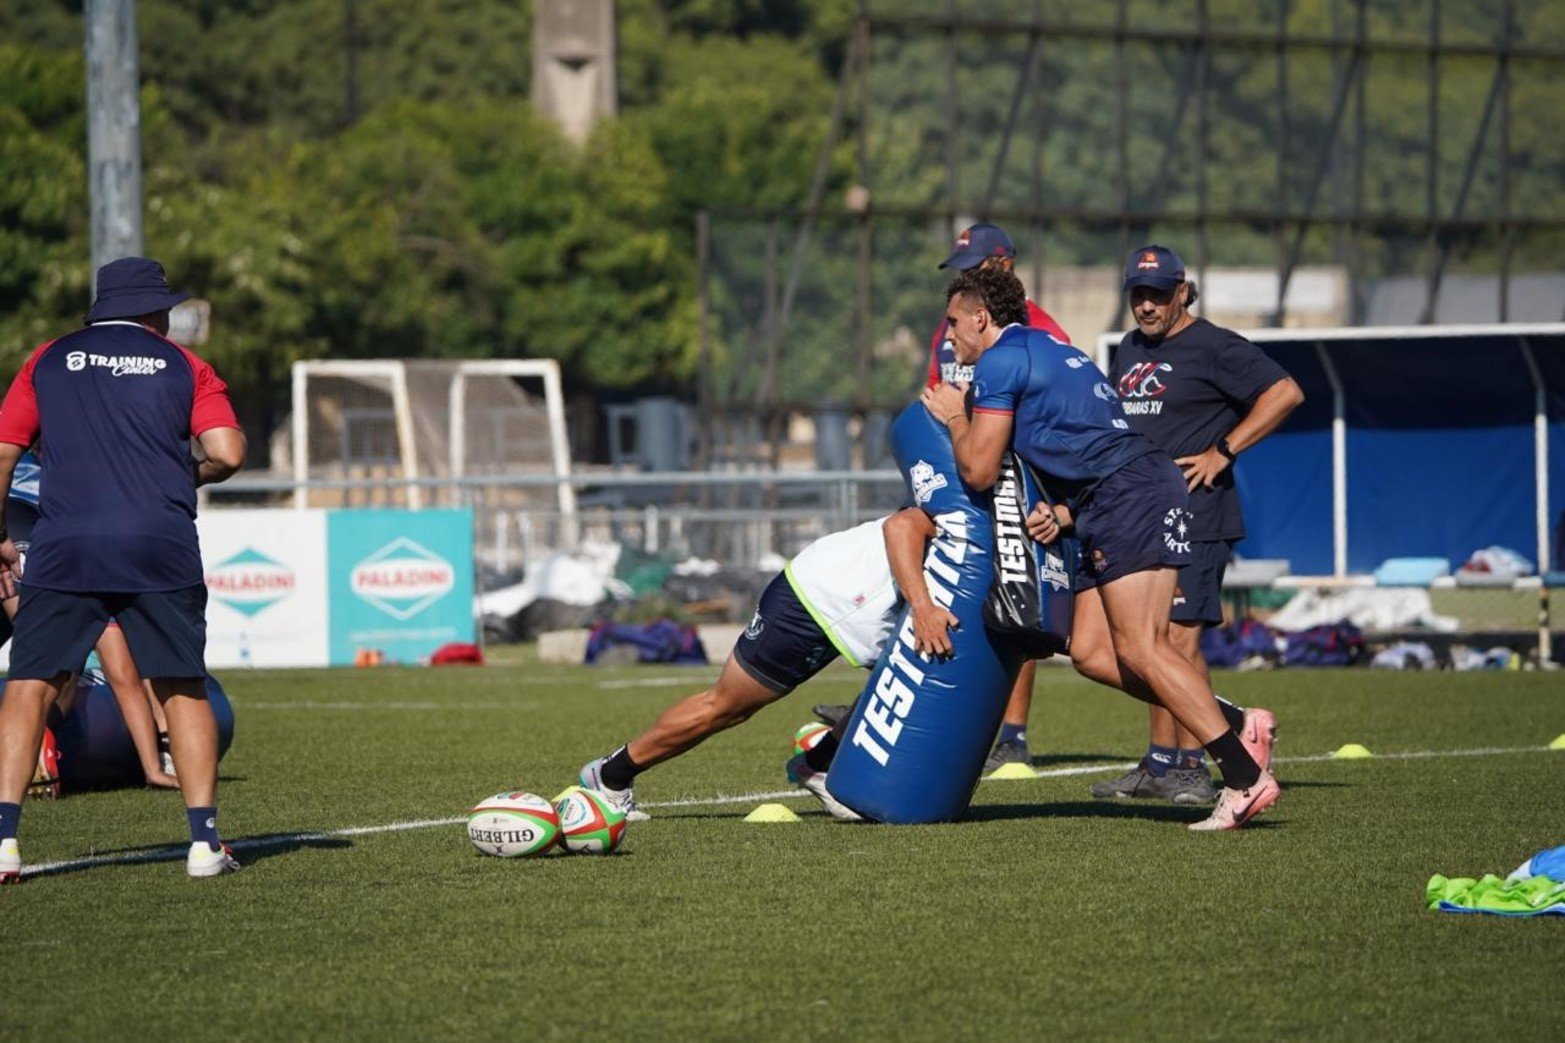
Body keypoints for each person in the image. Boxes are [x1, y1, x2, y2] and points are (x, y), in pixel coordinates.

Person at [920, 266, 1278, 831]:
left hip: (1128, 497)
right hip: (1111, 500)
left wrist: (956, 415)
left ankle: (1243, 778)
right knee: (1089, 650)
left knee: (1142, 646)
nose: (949, 337)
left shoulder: (998, 361)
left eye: (954, 322)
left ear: (982, 318)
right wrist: (1063, 512)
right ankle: (1233, 720)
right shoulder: (1051, 348)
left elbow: (980, 470)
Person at [0, 257, 247, 885]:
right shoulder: (185, 365)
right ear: (156, 313)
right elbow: (228, 452)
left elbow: (3, 453)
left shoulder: (48, 359)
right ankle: (203, 844)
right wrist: (186, 473)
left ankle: (4, 842)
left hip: (65, 544)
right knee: (181, 683)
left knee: (28, 683)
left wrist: (0, 538)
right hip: (157, 543)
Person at [1085, 245, 1303, 803]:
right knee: (1148, 644)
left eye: (1159, 294)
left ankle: (1193, 765)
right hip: (1139, 515)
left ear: (1184, 291)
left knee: (1176, 642)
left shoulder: (1214, 346)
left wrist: (1222, 451)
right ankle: (1163, 762)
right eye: (1139, 293)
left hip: (1197, 515)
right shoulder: (1131, 348)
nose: (1147, 305)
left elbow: (1285, 393)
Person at [578, 506, 961, 823]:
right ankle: (611, 774)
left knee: (910, 683)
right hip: (819, 597)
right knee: (726, 707)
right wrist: (924, 608)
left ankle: (819, 764)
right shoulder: (978, 501)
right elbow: (903, 524)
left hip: (865, 620)